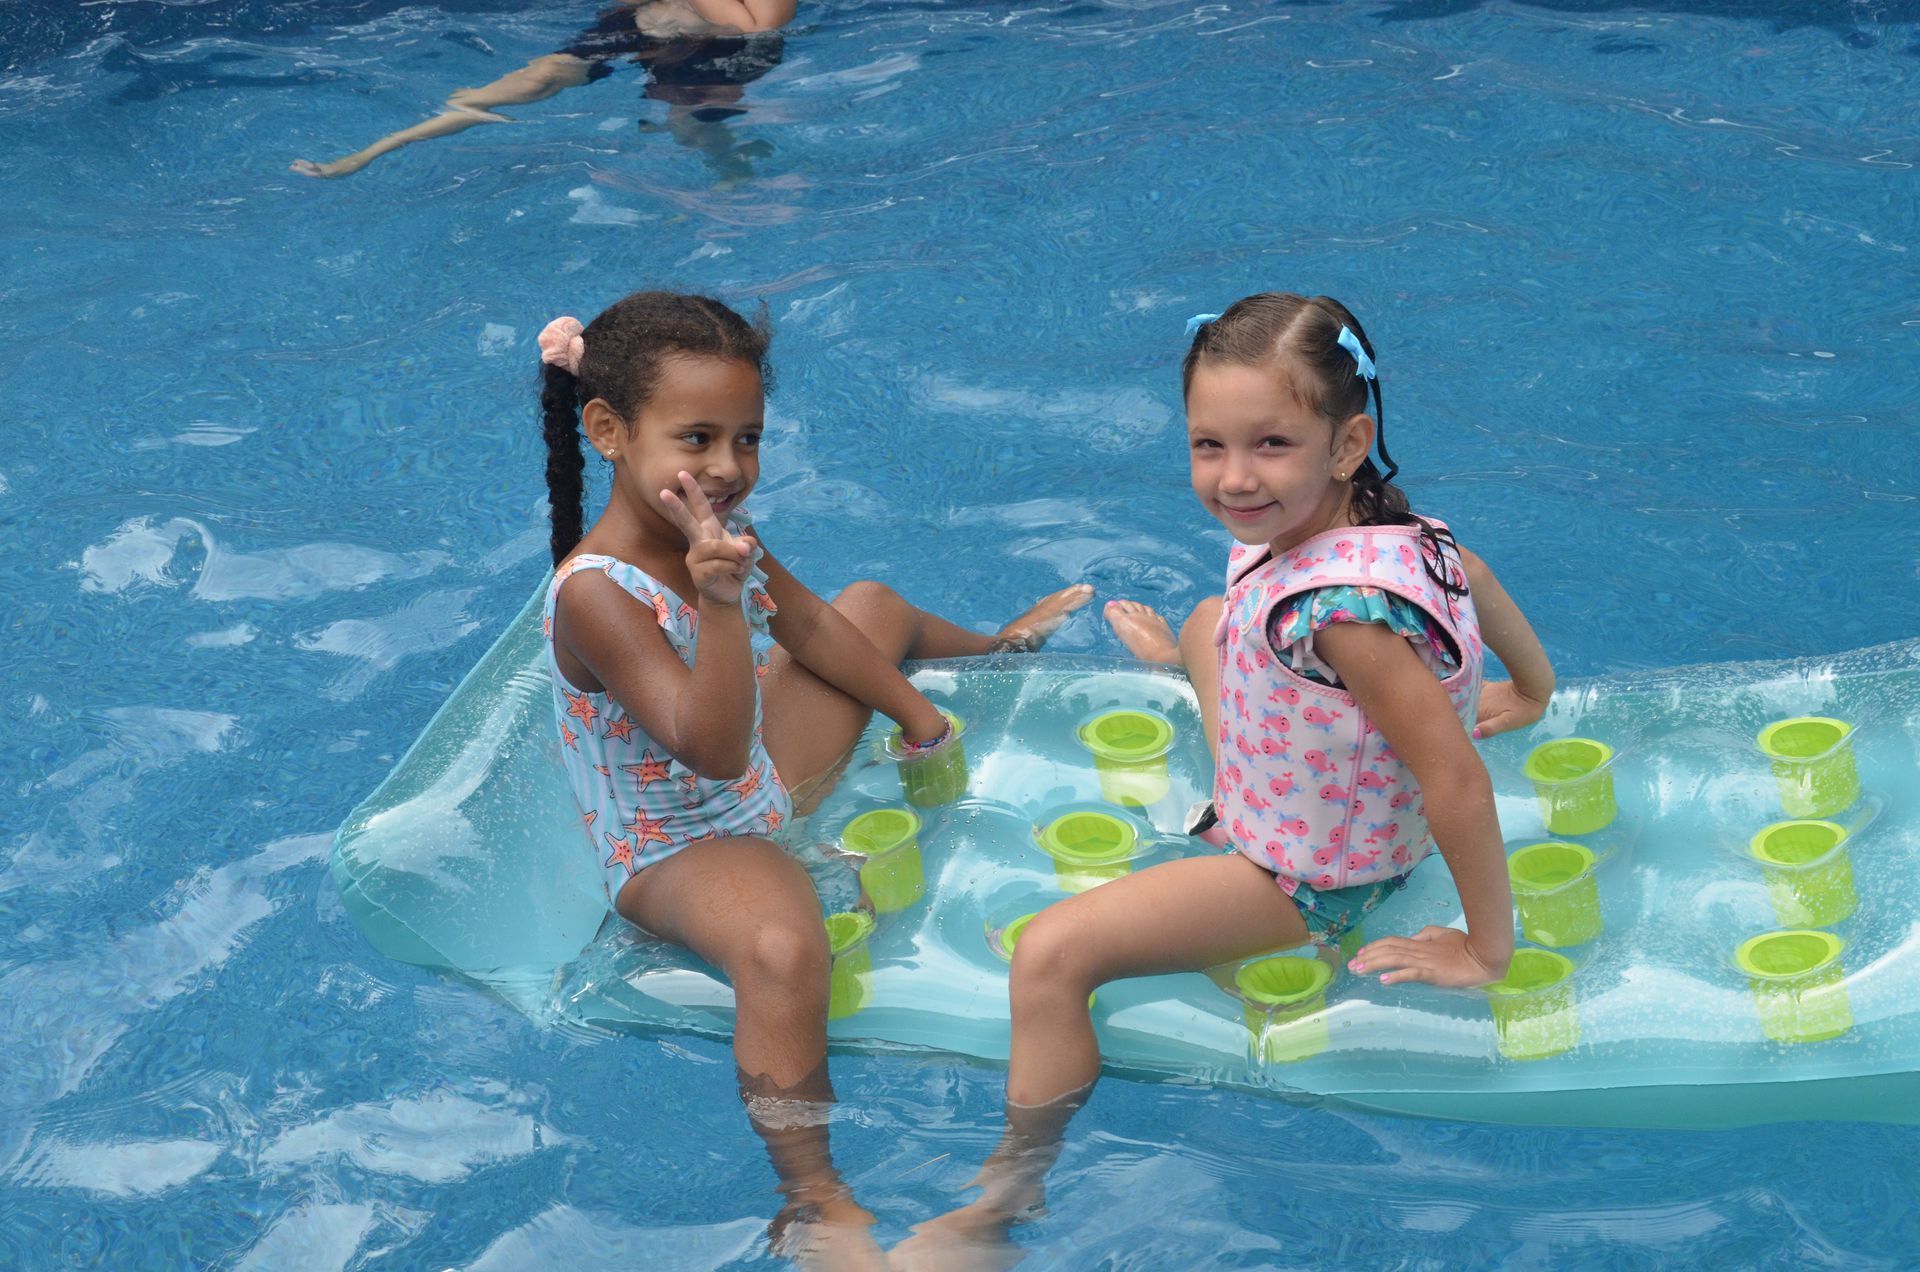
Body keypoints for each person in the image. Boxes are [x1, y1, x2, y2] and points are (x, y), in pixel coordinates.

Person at [895, 292, 1554, 1267]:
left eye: (1272, 445)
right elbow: (1479, 579)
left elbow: (1455, 780)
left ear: (1346, 442)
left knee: (1050, 957)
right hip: (1307, 774)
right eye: (1210, 445)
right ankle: (1190, 660)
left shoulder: (1339, 617)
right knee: (1216, 616)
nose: (1235, 478)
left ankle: (1002, 1201)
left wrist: (1486, 949)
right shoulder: (1397, 531)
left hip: (1306, 875)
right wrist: (1532, 689)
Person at [536, 290, 1089, 1268]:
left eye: (746, 439)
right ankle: (813, 1194)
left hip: (758, 776)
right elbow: (703, 746)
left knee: (871, 606)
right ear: (609, 432)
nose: (728, 468)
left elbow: (813, 627)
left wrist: (920, 716)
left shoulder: (716, 530)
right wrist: (712, 603)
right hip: (675, 844)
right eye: (697, 438)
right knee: (788, 947)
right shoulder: (596, 595)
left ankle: (997, 652)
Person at [291, 0, 793, 181]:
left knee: (691, 130)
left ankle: (731, 171)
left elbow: (759, 29)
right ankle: (372, 152)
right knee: (533, 81)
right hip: (645, 26)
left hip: (716, 51)